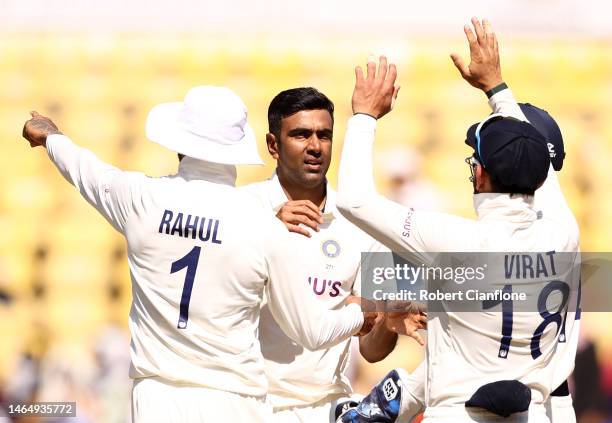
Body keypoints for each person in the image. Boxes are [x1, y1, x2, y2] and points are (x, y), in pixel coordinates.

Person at [21, 86, 423, 422]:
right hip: (236, 400)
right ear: (247, 147)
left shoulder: (140, 198)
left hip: (156, 397)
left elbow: (85, 169)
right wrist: (369, 310)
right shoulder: (261, 222)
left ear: (178, 143)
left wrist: (51, 136)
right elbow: (313, 331)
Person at [335, 18, 580, 423]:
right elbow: (543, 178)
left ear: (480, 173)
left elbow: (355, 200)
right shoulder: (564, 235)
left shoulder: (453, 241)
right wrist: (498, 89)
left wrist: (364, 116)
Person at [241, 87, 425, 422]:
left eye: (323, 135)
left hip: (325, 408)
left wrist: (388, 318)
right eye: (300, 135)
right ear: (273, 146)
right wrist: (264, 228)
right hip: (249, 403)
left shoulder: (361, 224)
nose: (314, 146)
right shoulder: (244, 210)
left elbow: (371, 350)